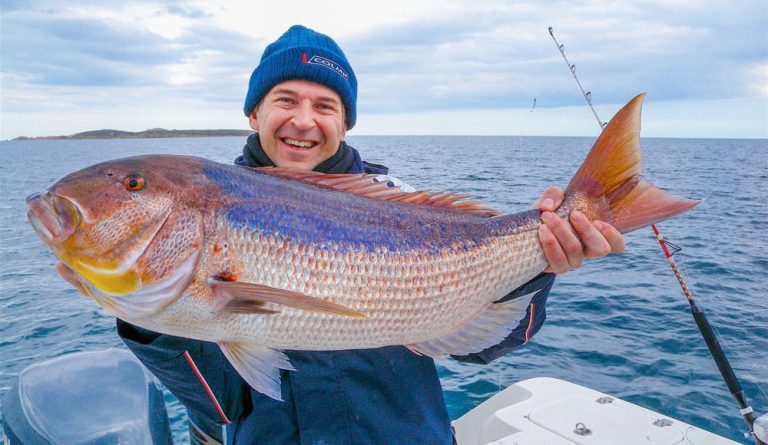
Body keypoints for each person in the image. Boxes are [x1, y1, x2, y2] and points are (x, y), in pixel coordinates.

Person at [118, 25, 625, 444]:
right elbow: (217, 402)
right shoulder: (201, 211)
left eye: (325, 106)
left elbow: (479, 348)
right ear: (255, 112)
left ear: (345, 122)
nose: (303, 120)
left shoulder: (398, 202)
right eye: (285, 99)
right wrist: (145, 312)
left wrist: (540, 263)